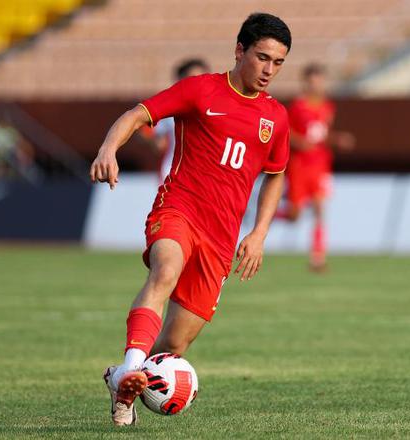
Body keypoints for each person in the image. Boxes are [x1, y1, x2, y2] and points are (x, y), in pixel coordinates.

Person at [89, 13, 292, 427]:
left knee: (174, 347)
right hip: (178, 208)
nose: (269, 70)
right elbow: (137, 115)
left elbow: (276, 174)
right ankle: (129, 374)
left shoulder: (276, 116)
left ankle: (123, 377)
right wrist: (108, 149)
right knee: (164, 271)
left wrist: (259, 233)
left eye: (278, 62)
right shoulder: (200, 90)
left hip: (222, 237)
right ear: (239, 50)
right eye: (262, 57)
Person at [281, 63, 355, 271]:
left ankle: (317, 257)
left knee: (320, 209)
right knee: (294, 216)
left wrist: (337, 139)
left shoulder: (328, 107)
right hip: (299, 166)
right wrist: (299, 142)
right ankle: (268, 216)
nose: (316, 86)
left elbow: (323, 134)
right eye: (312, 82)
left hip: (320, 164)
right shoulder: (297, 107)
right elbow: (285, 132)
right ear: (305, 83)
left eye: (320, 81)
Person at [150, 59, 210, 182]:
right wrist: (149, 137)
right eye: (193, 79)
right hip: (175, 174)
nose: (199, 83)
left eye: (203, 77)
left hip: (206, 175)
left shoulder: (217, 107)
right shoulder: (169, 108)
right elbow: (160, 144)